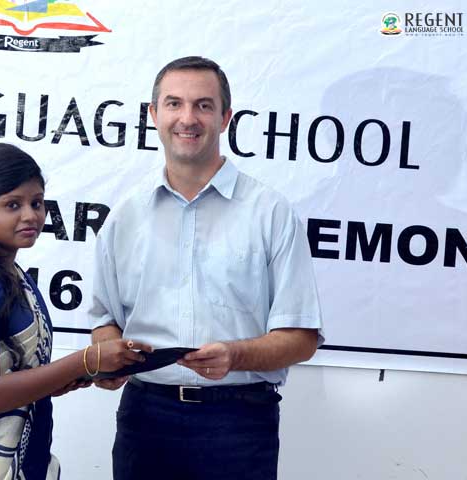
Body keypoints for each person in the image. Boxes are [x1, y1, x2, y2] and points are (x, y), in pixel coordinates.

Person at [89, 56, 324, 480]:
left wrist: (236, 355)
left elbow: (302, 338)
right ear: (153, 114)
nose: (187, 118)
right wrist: (110, 358)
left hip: (239, 425)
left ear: (225, 117)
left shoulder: (270, 213)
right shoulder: (125, 216)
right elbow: (106, 321)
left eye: (203, 105)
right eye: (174, 104)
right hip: (145, 420)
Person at [0, 143, 150, 480]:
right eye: (13, 205)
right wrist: (84, 361)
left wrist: (78, 375)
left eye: (36, 203)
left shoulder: (9, 273)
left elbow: (15, 375)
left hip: (27, 459)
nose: (31, 215)